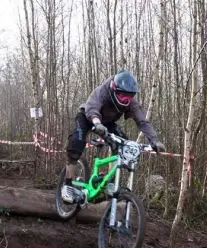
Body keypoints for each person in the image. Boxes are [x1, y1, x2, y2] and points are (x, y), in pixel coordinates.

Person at [61, 70, 166, 203]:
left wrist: (155, 140)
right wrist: (96, 122)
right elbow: (92, 107)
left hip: (107, 123)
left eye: (129, 98)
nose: (125, 101)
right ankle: (67, 184)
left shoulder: (131, 103)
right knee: (76, 143)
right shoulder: (103, 91)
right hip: (87, 117)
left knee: (125, 146)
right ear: (114, 89)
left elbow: (142, 121)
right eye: (122, 97)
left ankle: (110, 182)